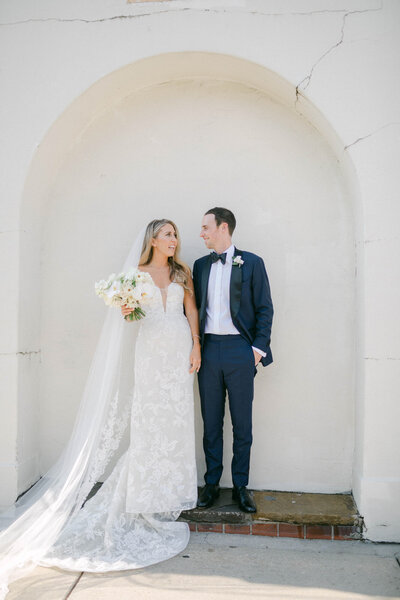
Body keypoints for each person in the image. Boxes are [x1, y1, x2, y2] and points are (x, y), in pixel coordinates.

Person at [0, 219, 200, 598]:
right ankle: (142, 496)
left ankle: (169, 494)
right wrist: (127, 309)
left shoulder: (181, 273)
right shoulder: (136, 274)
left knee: (175, 423)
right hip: (150, 352)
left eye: (176, 235)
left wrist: (196, 345)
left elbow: (191, 311)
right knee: (149, 422)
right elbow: (129, 316)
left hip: (177, 354)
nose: (174, 240)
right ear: (153, 239)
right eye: (168, 234)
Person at [193, 207, 273, 513]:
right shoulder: (200, 266)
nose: (201, 233)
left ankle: (241, 486)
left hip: (241, 351)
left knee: (243, 424)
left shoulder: (252, 262)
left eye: (205, 227)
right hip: (209, 351)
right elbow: (192, 309)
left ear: (223, 228)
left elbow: (265, 309)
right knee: (211, 423)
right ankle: (211, 484)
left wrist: (256, 350)